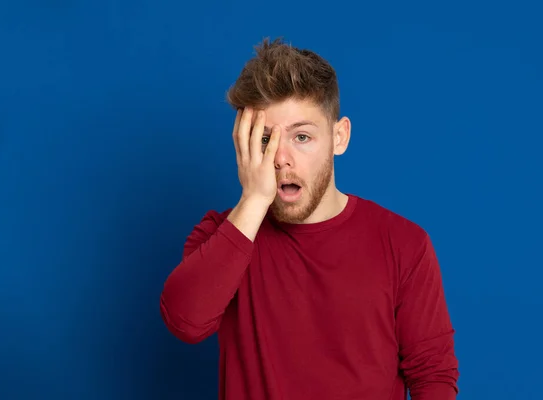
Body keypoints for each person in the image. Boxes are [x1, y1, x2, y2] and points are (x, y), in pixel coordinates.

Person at [160, 37, 459, 400]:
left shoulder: (404, 244)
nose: (281, 158)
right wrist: (254, 198)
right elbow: (185, 323)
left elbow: (433, 376)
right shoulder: (221, 236)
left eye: (301, 137)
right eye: (266, 140)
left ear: (339, 137)